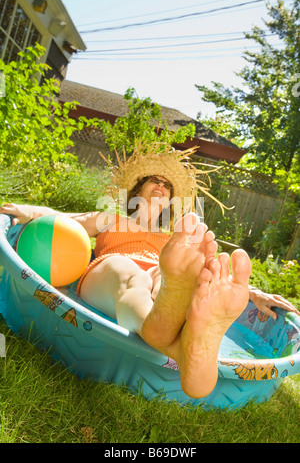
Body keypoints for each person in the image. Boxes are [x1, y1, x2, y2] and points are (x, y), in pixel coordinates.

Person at [0, 142, 298, 398]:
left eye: (167, 185)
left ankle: (188, 334)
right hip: (111, 268)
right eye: (155, 180)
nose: (161, 185)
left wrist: (252, 294)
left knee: (169, 279)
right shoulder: (111, 218)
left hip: (162, 276)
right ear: (137, 189)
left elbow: (207, 272)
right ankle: (181, 342)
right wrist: (29, 211)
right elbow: (64, 220)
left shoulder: (174, 242)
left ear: (170, 200)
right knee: (136, 278)